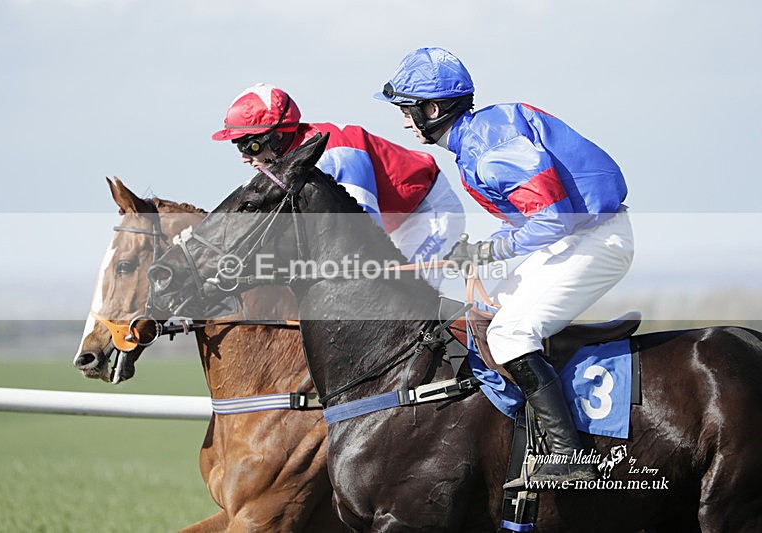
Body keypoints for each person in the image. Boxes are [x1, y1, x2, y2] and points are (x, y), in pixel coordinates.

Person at [375, 47, 634, 485]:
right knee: (484, 313)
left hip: (595, 240)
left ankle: (571, 457)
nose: (404, 121)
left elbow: (555, 216)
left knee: (509, 333)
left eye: (408, 110)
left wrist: (489, 251)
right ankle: (523, 426)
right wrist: (482, 249)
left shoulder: (490, 151)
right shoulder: (483, 133)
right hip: (579, 236)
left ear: (433, 109)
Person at [211, 83, 465, 286]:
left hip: (427, 213)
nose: (245, 157)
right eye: (239, 146)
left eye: (249, 145)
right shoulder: (283, 162)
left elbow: (365, 235)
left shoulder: (334, 157)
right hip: (393, 218)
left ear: (278, 136)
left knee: (403, 289)